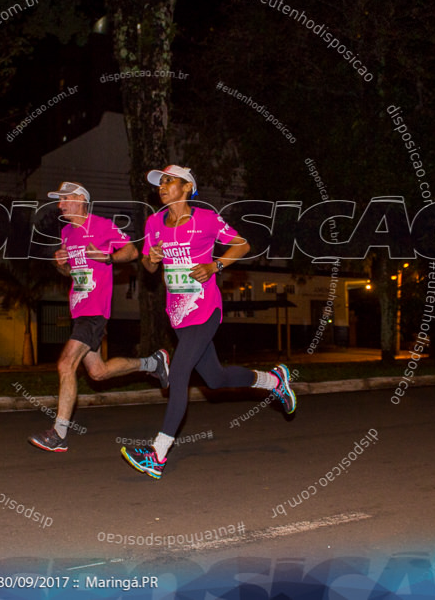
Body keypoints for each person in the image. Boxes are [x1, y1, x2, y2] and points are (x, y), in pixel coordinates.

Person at [121, 165, 296, 478]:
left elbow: (242, 245)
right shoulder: (153, 223)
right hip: (178, 316)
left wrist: (215, 266)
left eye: (169, 181)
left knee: (179, 373)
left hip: (205, 310)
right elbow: (148, 266)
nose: (162, 187)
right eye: (160, 183)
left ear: (187, 187)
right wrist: (153, 258)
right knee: (216, 380)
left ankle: (157, 454)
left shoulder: (206, 219)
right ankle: (274, 381)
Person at [28, 181, 170, 452]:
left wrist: (107, 258)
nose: (60, 205)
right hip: (78, 309)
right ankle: (153, 363)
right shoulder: (68, 232)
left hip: (94, 310)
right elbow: (70, 273)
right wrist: (61, 265)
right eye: (59, 201)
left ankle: (58, 433)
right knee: (98, 372)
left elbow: (131, 251)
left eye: (64, 199)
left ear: (80, 200)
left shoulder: (101, 225)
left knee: (65, 364)